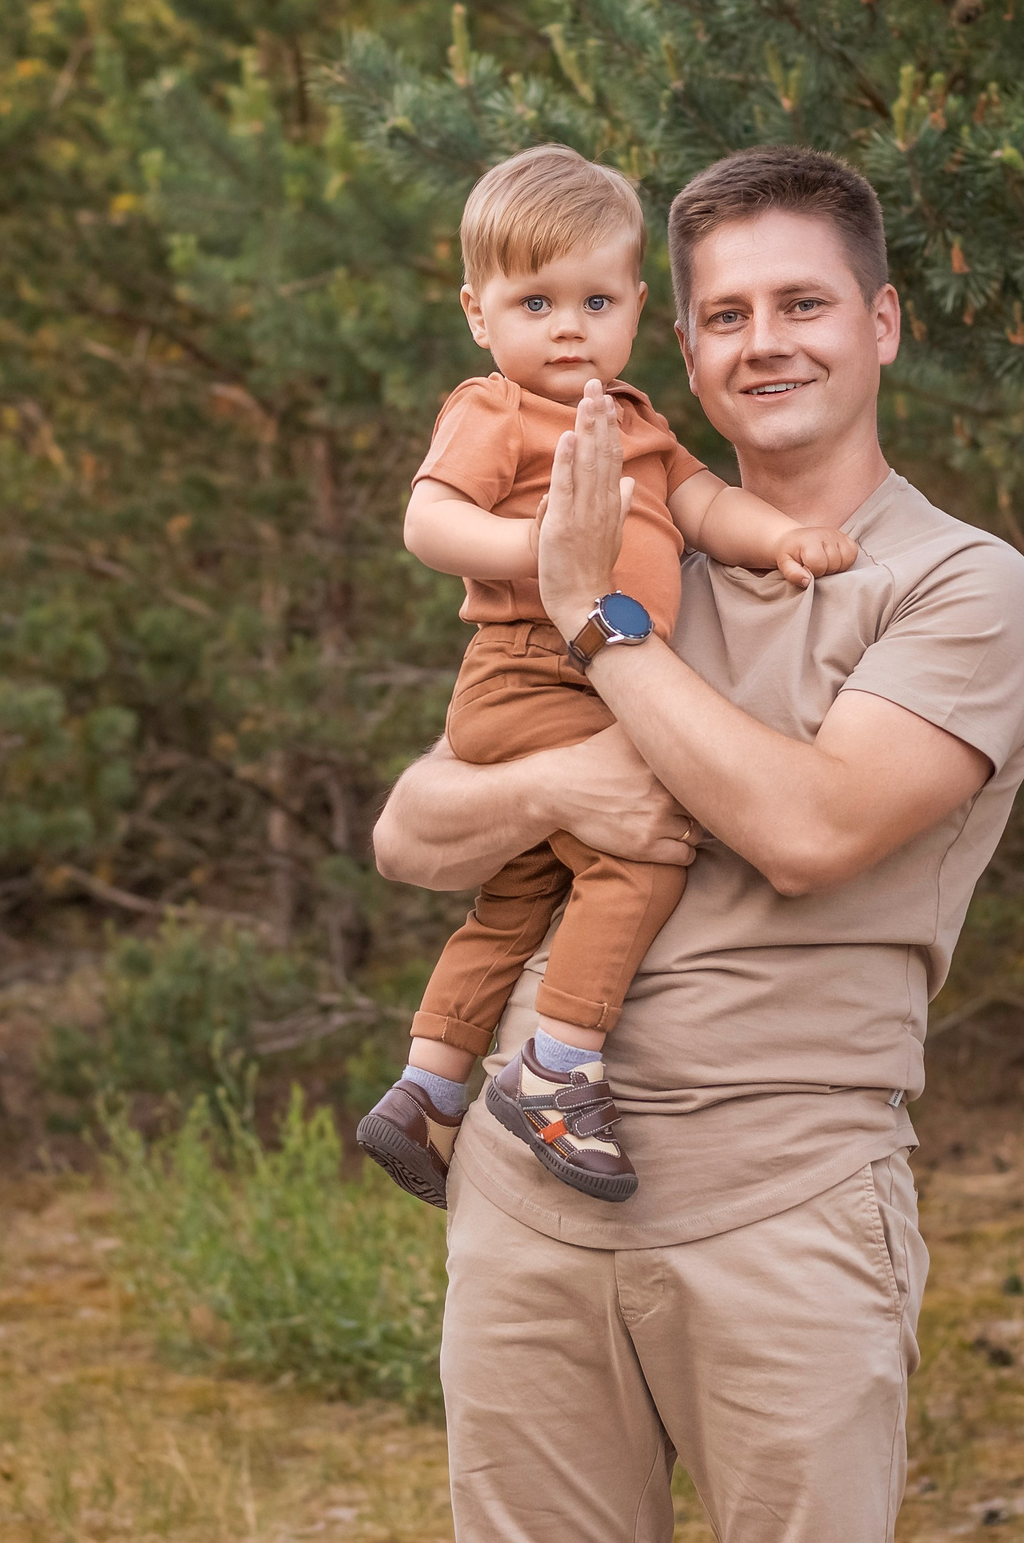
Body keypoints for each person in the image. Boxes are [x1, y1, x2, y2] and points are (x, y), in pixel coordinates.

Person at [371, 145, 1024, 1542]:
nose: (767, 343)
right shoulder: (621, 535)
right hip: (530, 1194)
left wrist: (595, 628)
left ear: (881, 322)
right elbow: (412, 829)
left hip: (782, 1201)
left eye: (803, 303)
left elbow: (808, 826)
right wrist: (566, 785)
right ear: (678, 346)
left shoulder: (958, 586)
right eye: (729, 315)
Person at [355, 144, 856, 1209]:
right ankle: (558, 1067)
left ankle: (425, 1085)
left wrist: (781, 541)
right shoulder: (497, 409)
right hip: (530, 672)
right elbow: (429, 520)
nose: (568, 326)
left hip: (580, 682)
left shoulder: (636, 423)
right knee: (639, 854)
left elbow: (704, 506)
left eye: (593, 299)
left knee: (521, 891)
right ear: (478, 315)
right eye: (534, 302)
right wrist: (548, 555)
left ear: (635, 307)